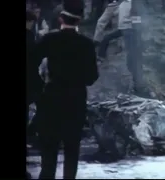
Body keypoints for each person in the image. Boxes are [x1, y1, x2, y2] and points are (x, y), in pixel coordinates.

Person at [33, 0, 99, 178]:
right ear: (79, 21)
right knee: (71, 151)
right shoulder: (87, 44)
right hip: (76, 101)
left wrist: (40, 87)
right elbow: (92, 77)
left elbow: (31, 63)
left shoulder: (49, 39)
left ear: (61, 18)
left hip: (51, 98)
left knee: (49, 152)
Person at [26, 10, 43, 180]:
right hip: (31, 80)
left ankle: (31, 132)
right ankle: (32, 132)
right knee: (43, 105)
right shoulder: (29, 37)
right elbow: (35, 57)